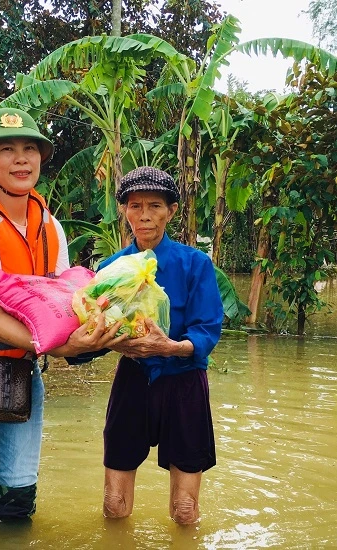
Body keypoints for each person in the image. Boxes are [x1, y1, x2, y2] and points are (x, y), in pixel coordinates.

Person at [0, 106, 124, 545]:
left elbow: (64, 303)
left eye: (29, 149)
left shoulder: (50, 227)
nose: (21, 159)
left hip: (23, 370)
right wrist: (60, 347)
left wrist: (98, 332)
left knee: (18, 496)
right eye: (7, 150)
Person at [100, 166, 224, 525]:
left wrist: (170, 347)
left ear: (171, 211)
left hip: (184, 383)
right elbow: (93, 331)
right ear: (124, 210)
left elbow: (207, 330)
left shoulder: (196, 264)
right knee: (113, 504)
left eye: (155, 205)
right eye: (135, 205)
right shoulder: (111, 269)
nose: (144, 215)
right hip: (133, 379)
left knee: (185, 511)